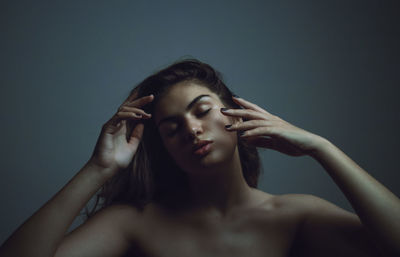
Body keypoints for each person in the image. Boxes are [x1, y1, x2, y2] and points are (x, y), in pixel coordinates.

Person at [0, 59, 399, 257]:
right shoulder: (134, 222)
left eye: (202, 110)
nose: (191, 128)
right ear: (163, 145)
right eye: (171, 127)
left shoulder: (294, 215)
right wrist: (98, 169)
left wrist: (321, 147)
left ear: (235, 114)